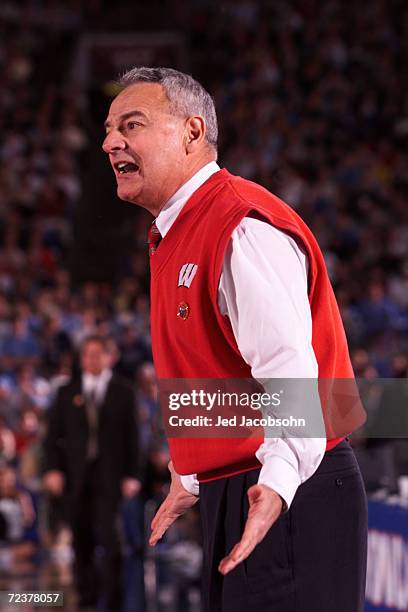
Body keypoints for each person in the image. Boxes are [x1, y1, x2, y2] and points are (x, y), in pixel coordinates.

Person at [103, 67, 368, 612]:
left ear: (192, 132)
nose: (110, 142)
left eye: (132, 124)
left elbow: (288, 368)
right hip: (243, 485)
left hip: (288, 488)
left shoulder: (240, 223)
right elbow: (221, 373)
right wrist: (191, 471)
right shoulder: (176, 230)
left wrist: (275, 487)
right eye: (108, 129)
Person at [43, 335, 140, 610]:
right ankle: (85, 596)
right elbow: (53, 437)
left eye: (98, 353)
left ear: (110, 356)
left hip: (110, 477)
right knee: (80, 538)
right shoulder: (66, 391)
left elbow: (133, 438)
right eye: (87, 354)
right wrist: (52, 469)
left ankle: (112, 600)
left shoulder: (124, 391)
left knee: (110, 540)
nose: (92, 359)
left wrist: (132, 475)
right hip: (75, 478)